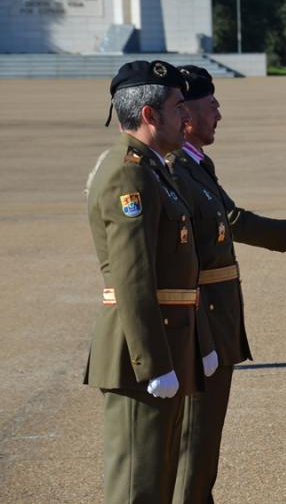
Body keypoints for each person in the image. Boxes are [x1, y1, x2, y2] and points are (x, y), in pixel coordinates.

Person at [168, 66, 286, 504]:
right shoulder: (178, 166)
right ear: (186, 114)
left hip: (217, 315)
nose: (219, 113)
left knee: (203, 443)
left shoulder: (193, 161)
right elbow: (227, 221)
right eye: (211, 104)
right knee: (195, 441)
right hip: (203, 319)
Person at [85, 60, 205, 504]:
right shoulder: (128, 173)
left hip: (165, 348)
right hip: (143, 358)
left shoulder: (153, 169)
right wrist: (154, 363)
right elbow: (132, 277)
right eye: (178, 108)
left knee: (156, 482)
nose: (186, 117)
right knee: (138, 487)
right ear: (151, 116)